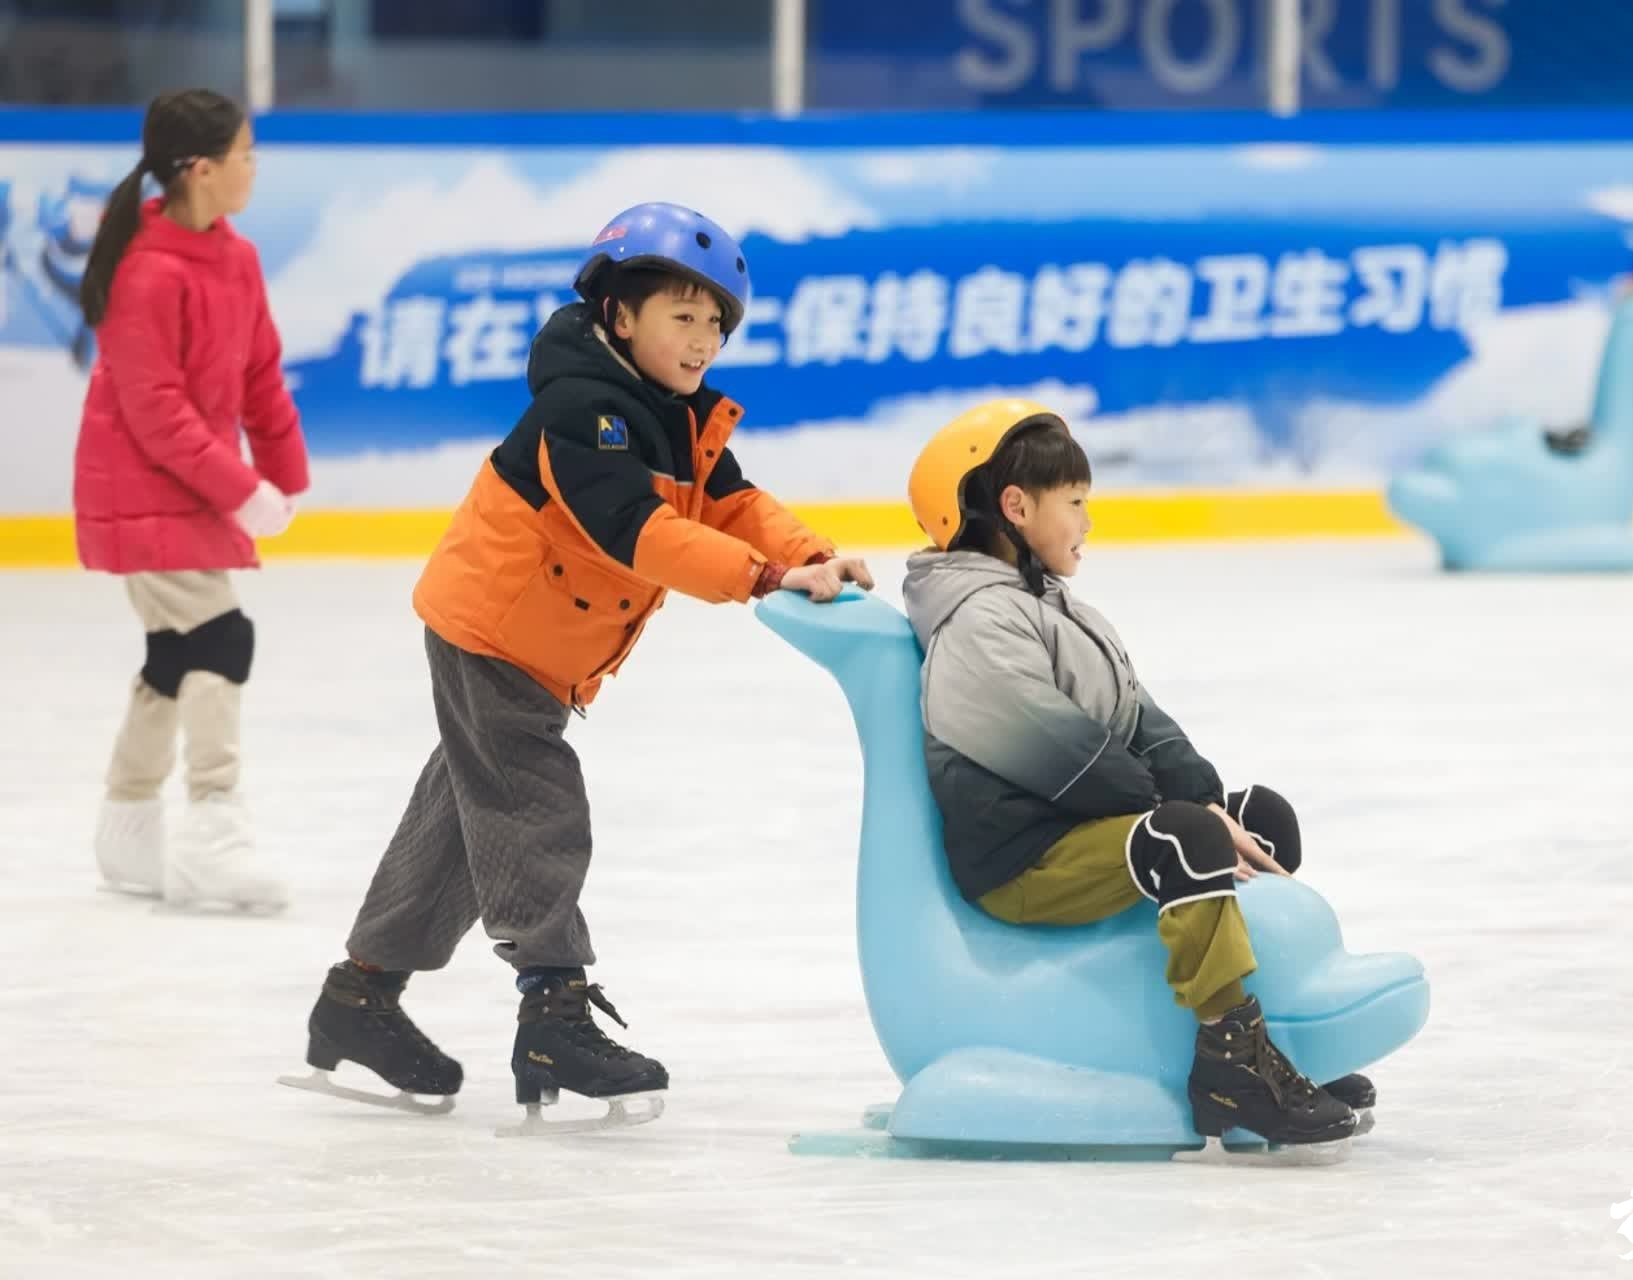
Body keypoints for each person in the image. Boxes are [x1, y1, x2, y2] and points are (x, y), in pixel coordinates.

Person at [295, 202, 873, 1122]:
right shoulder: (585, 409)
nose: (703, 340)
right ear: (618, 315)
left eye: (716, 321)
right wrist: (767, 579)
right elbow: (639, 533)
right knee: (531, 802)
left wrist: (811, 552)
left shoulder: (675, 414)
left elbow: (731, 501)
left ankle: (359, 999)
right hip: (495, 630)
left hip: (539, 643)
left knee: (461, 820)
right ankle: (552, 1008)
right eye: (681, 316)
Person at [901, 399, 1372, 1148]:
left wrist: (1213, 799)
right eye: (1077, 504)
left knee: (1256, 817)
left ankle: (1270, 1030)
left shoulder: (1045, 602)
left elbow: (1139, 720)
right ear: (1016, 507)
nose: (1089, 521)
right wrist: (1188, 815)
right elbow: (1058, 753)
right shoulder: (978, 622)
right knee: (1184, 838)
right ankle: (1232, 1060)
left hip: (1073, 828)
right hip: (1023, 858)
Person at [76, 88, 308, 911]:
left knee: (176, 656)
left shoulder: (234, 258)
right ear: (202, 170)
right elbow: (155, 410)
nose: (253, 169)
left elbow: (258, 375)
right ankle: (213, 822)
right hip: (140, 487)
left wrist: (284, 474)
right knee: (221, 637)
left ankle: (129, 820)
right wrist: (242, 490)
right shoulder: (146, 267)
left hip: (190, 488)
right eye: (246, 155)